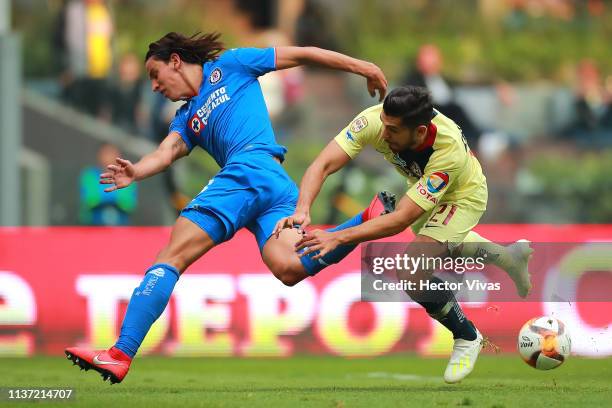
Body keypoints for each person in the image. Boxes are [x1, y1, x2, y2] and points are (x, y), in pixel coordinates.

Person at [64, 31, 388, 383]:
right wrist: (137, 171)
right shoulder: (186, 116)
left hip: (247, 170)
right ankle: (366, 219)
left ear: (175, 61)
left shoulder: (232, 64)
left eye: (155, 76)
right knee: (289, 267)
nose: (155, 87)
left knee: (170, 257)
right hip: (273, 183)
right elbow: (167, 151)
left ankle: (119, 353)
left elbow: (303, 54)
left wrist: (363, 67)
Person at [274, 86, 533, 383]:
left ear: (421, 132)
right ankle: (509, 256)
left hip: (463, 197)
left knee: (411, 270)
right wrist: (302, 209)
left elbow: (398, 220)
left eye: (393, 130)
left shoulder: (447, 151)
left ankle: (467, 335)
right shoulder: (376, 121)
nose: (384, 135)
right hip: (420, 186)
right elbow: (322, 164)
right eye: (384, 125)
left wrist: (337, 236)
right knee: (438, 245)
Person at [79, 143, 138, 225]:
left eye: (112, 153)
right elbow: (89, 200)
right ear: (99, 155)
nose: (109, 157)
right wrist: (115, 199)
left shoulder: (127, 175)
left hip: (121, 228)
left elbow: (128, 203)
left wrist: (103, 198)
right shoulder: (90, 174)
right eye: (106, 153)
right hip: (94, 226)